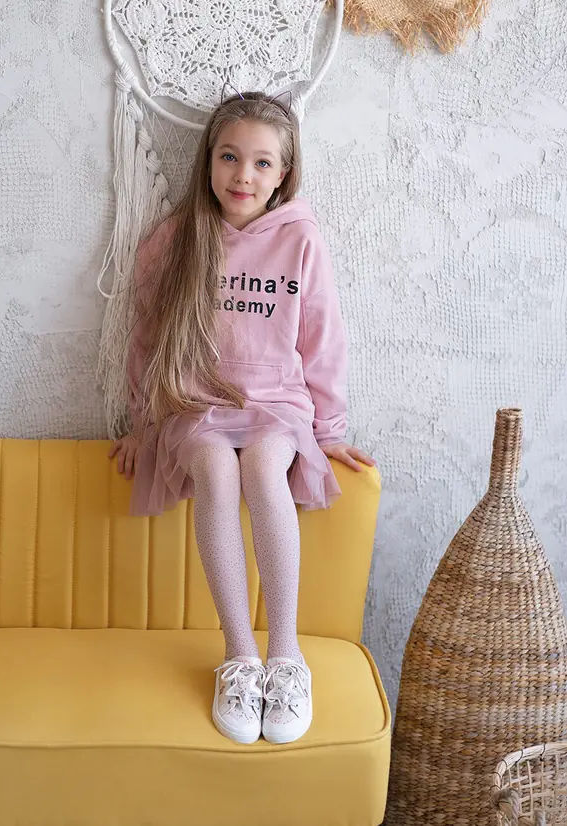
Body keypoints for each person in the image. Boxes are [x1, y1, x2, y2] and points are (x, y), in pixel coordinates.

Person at [108, 89, 376, 746]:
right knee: (215, 470)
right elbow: (146, 339)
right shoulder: (176, 239)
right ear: (208, 160)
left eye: (261, 163)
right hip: (195, 403)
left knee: (260, 468)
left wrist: (329, 432)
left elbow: (322, 338)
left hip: (275, 404)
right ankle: (240, 657)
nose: (242, 176)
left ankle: (285, 657)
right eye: (229, 157)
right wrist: (142, 424)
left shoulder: (300, 240)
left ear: (284, 173)